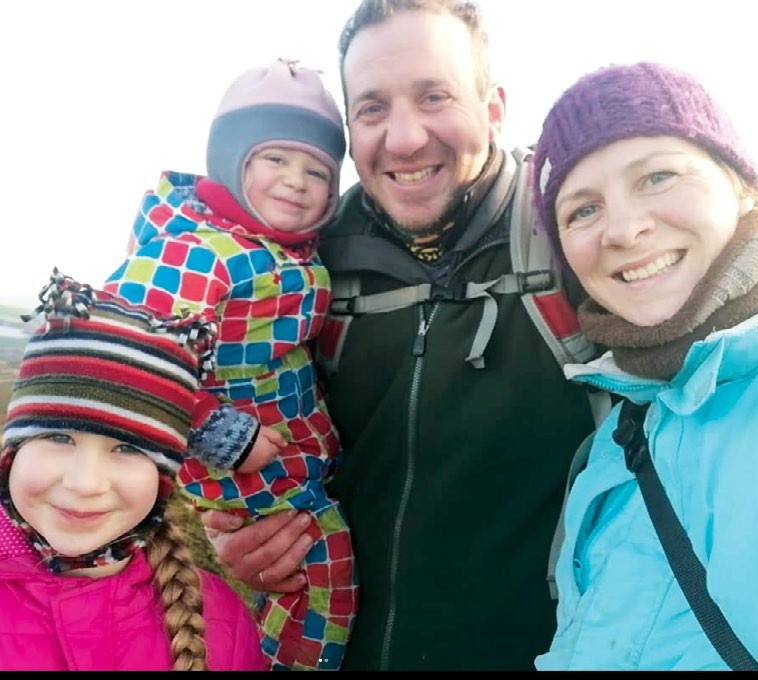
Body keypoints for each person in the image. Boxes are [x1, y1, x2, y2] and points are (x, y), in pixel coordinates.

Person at [201, 0, 597, 672]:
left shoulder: (577, 240)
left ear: (494, 108)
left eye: (434, 95)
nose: (405, 138)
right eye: (373, 108)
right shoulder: (304, 272)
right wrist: (243, 533)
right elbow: (246, 420)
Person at [102, 59, 356, 671]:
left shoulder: (278, 247)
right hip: (246, 460)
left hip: (290, 452)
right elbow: (126, 350)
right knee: (323, 575)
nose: (296, 181)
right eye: (274, 160)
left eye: (317, 171)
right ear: (232, 160)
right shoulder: (199, 251)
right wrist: (218, 432)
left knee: (301, 575)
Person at [530, 62, 758, 670]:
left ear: (741, 185)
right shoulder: (620, 437)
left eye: (658, 176)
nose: (625, 229)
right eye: (582, 210)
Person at [0, 271, 264, 671]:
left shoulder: (221, 620)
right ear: (12, 453)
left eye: (127, 448)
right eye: (58, 438)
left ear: (163, 479)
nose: (85, 484)